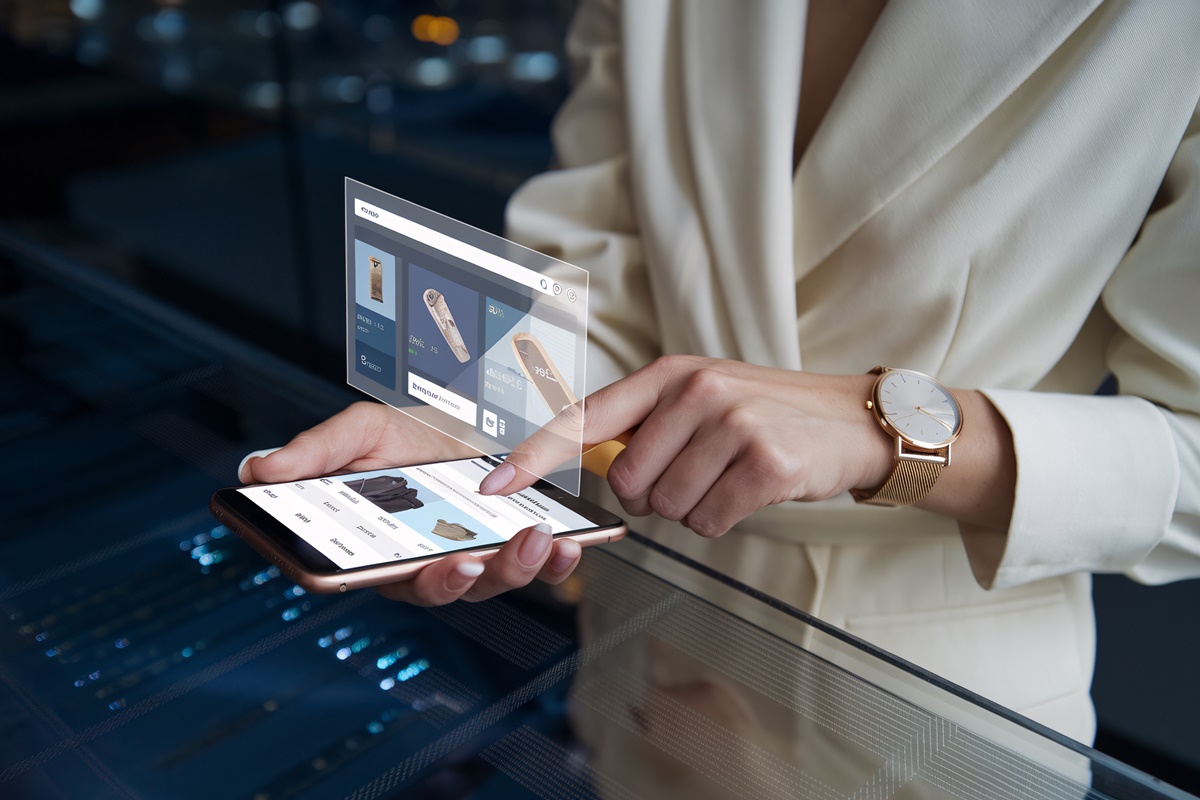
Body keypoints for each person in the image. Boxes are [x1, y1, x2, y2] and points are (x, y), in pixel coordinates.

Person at [244, 0, 1200, 742]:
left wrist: (882, 432)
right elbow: (609, 271)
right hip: (647, 622)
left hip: (933, 707)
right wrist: (469, 425)